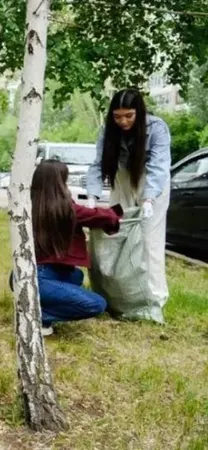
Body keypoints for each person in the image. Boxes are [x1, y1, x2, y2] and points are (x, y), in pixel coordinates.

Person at [85, 88, 171, 313]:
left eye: (129, 116)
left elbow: (159, 167)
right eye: (117, 116)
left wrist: (149, 198)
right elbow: (98, 163)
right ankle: (119, 293)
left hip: (151, 181)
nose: (122, 121)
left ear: (139, 112)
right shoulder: (107, 130)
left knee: (149, 239)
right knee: (117, 233)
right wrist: (92, 195)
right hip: (121, 179)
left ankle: (153, 300)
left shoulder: (157, 128)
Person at [16, 160, 122, 336]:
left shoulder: (27, 205)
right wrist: (120, 213)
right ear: (60, 182)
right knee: (96, 304)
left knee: (76, 276)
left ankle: (32, 302)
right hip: (39, 278)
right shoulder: (66, 208)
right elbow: (102, 216)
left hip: (23, 273)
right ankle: (36, 316)